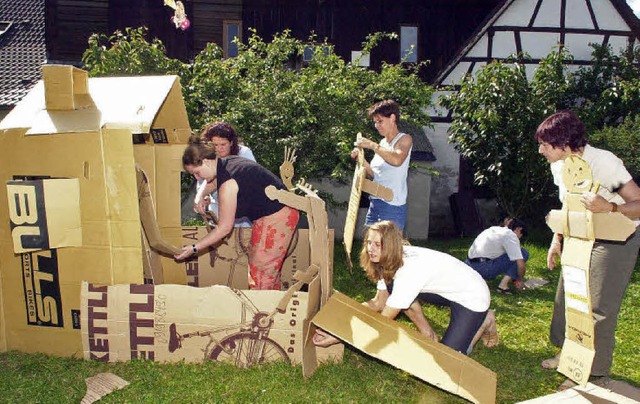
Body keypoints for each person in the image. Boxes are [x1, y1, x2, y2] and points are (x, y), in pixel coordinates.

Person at [535, 110, 640, 389]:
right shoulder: (559, 165)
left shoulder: (603, 163)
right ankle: (569, 355)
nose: (541, 150)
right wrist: (557, 240)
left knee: (598, 306)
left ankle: (591, 373)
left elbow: (638, 202)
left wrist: (610, 206)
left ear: (565, 145)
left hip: (617, 235)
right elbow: (567, 204)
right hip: (581, 233)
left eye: (545, 145)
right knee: (569, 299)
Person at [313, 221, 498, 354]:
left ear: (392, 246)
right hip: (451, 289)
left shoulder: (408, 272)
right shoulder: (389, 262)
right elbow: (378, 303)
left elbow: (382, 320)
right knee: (395, 291)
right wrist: (342, 319)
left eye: (377, 244)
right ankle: (428, 333)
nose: (371, 249)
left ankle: (484, 320)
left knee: (450, 358)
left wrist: (338, 335)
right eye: (369, 242)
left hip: (473, 296)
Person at [175, 137, 299, 290]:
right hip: (268, 214)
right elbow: (212, 182)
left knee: (262, 272)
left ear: (206, 161)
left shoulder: (228, 183)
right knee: (257, 261)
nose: (197, 178)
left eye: (196, 173)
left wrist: (194, 248)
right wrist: (199, 196)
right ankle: (273, 305)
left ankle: (264, 311)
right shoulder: (224, 163)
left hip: (278, 216)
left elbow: (224, 228)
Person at [351, 100, 412, 230]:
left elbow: (397, 160)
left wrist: (372, 145)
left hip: (392, 206)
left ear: (392, 118)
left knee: (389, 249)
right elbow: (375, 174)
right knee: (370, 247)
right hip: (375, 203)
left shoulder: (405, 139)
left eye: (380, 121)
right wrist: (361, 160)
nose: (376, 125)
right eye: (375, 122)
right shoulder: (382, 143)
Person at [193, 122, 256, 227]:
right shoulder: (206, 157)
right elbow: (202, 181)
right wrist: (205, 196)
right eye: (215, 145)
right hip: (217, 208)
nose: (219, 148)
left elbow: (252, 180)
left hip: (243, 211)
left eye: (223, 144)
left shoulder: (244, 153)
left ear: (231, 143)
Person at [466, 217, 529, 294]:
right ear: (519, 229)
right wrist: (520, 279)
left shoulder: (494, 229)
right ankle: (503, 286)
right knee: (523, 253)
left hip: (469, 266)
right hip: (484, 269)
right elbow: (521, 265)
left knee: (512, 254)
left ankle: (479, 278)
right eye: (520, 235)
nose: (519, 238)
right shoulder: (510, 235)